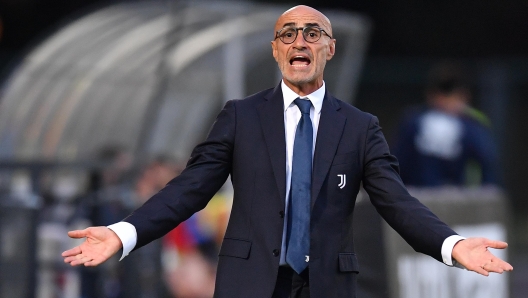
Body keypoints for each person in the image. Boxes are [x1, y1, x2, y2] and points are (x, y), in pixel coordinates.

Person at [62, 5, 513, 298]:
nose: (300, 40)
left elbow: (396, 202)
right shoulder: (240, 116)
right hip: (249, 284)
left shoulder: (359, 127)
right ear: (277, 50)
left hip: (328, 287)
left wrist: (452, 245)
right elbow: (189, 188)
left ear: (329, 49)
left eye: (313, 33)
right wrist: (124, 233)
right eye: (289, 34)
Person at [393, 62, 498, 187]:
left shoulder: (412, 121)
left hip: (417, 197)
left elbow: (397, 163)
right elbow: (488, 167)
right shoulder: (470, 126)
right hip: (446, 197)